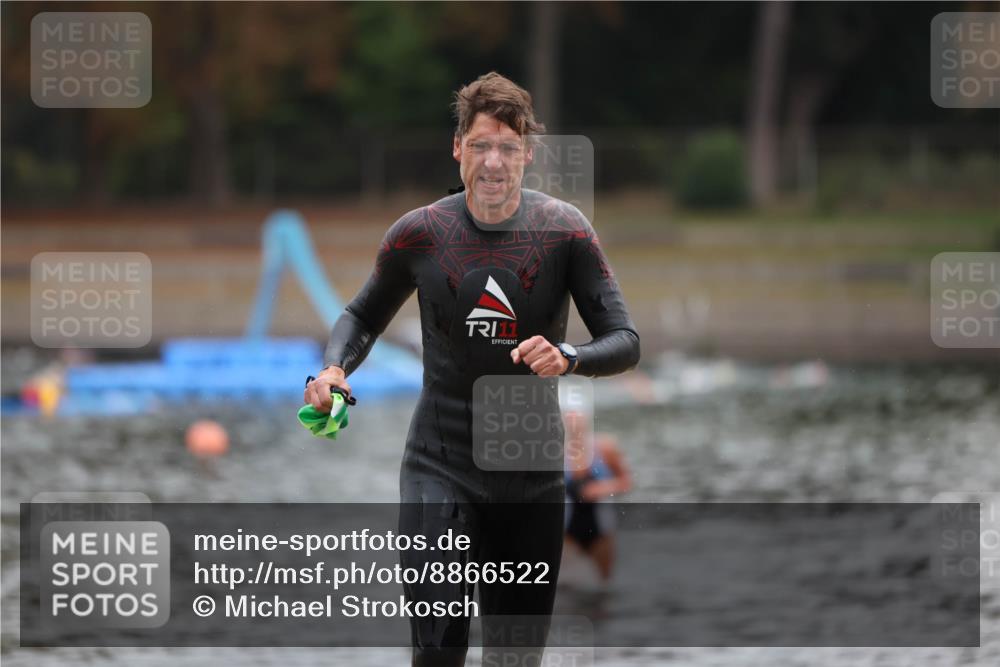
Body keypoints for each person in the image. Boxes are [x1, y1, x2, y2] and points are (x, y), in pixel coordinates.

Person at [304, 72, 640, 666]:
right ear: (457, 147)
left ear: (527, 156)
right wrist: (332, 370)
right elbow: (359, 316)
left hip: (531, 478)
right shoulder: (420, 234)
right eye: (481, 145)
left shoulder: (564, 232)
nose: (493, 162)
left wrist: (570, 358)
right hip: (441, 467)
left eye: (508, 148)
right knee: (438, 653)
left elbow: (625, 340)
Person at [563, 410, 632, 582]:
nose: (575, 422)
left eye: (578, 416)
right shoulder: (555, 452)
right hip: (566, 529)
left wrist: (600, 489)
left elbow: (626, 482)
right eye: (569, 417)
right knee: (565, 586)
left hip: (601, 527)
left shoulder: (604, 448)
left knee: (604, 583)